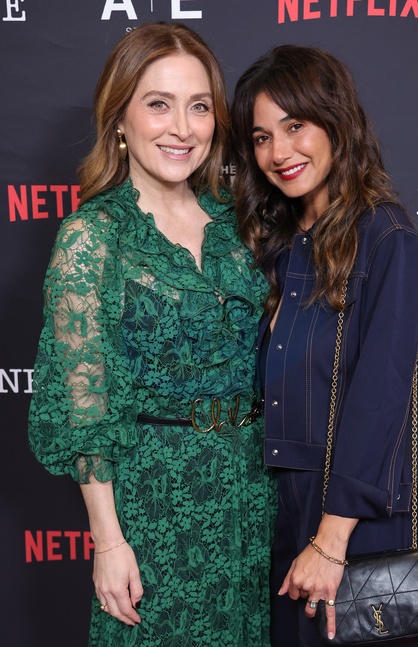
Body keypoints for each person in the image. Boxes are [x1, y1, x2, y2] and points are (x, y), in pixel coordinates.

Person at [28, 22, 276, 647]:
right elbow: (84, 408)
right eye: (159, 104)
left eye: (199, 107)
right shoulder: (93, 237)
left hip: (252, 495)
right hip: (155, 502)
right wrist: (108, 541)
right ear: (120, 118)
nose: (183, 128)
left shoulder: (236, 224)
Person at [230, 45, 418, 647]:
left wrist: (330, 539)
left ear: (336, 121)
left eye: (295, 126)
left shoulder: (386, 236)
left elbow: (380, 398)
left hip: (349, 519)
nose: (279, 152)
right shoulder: (278, 243)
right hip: (282, 508)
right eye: (262, 137)